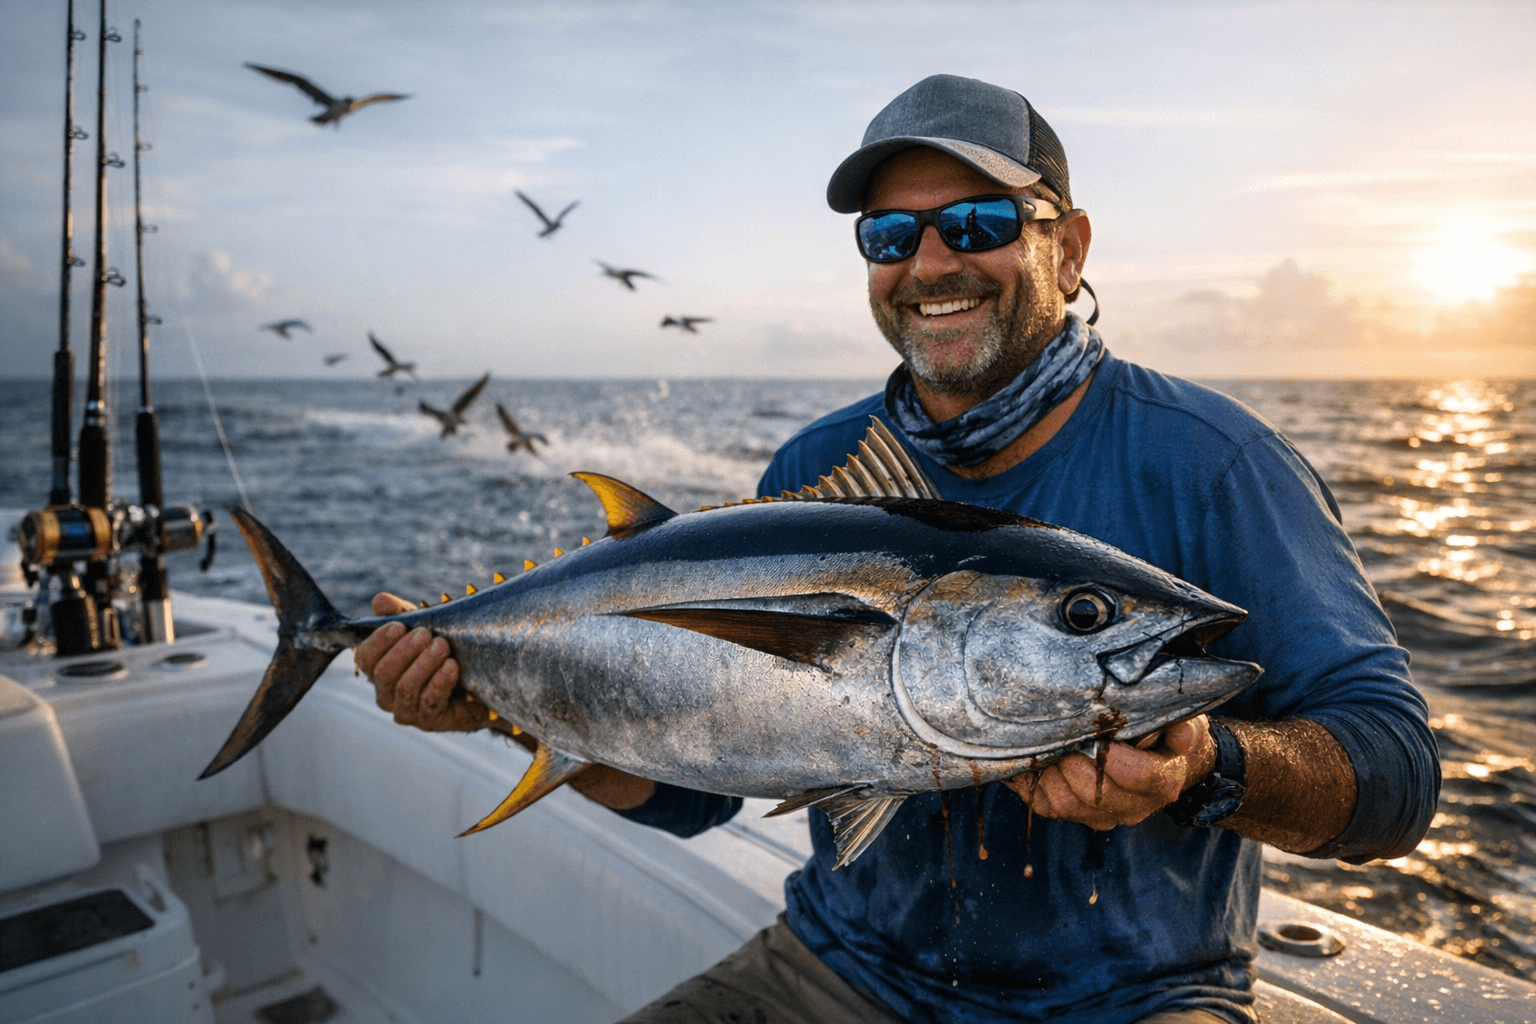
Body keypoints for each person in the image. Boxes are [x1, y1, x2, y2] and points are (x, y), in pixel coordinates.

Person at [354, 74, 1439, 1024]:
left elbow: (1396, 772)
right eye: (890, 235)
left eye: (976, 223)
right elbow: (701, 787)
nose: (930, 261)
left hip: (1133, 999)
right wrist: (501, 705)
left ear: (1070, 245)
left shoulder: (1215, 464)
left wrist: (1211, 766)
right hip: (834, 974)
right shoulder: (813, 469)